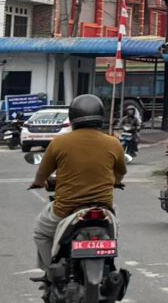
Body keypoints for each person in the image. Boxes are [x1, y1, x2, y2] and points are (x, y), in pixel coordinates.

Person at [30, 91, 127, 274]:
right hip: (103, 207)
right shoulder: (113, 143)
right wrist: (115, 182)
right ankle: (112, 267)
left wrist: (38, 182)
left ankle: (50, 270)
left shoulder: (59, 143)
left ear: (73, 117)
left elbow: (43, 172)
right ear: (100, 117)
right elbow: (120, 172)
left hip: (66, 208)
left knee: (40, 232)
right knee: (114, 233)